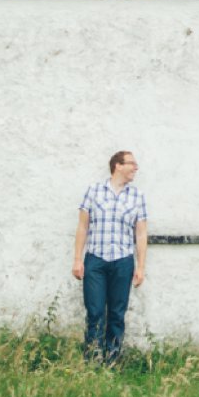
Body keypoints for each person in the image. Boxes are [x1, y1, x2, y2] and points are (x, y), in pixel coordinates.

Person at [73, 150, 148, 362]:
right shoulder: (94, 191)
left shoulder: (137, 196)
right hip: (95, 260)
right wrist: (78, 259)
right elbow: (82, 226)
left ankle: (112, 360)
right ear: (118, 166)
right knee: (95, 311)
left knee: (117, 313)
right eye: (132, 163)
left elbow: (141, 234)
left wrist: (140, 267)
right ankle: (92, 359)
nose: (136, 168)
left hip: (123, 261)